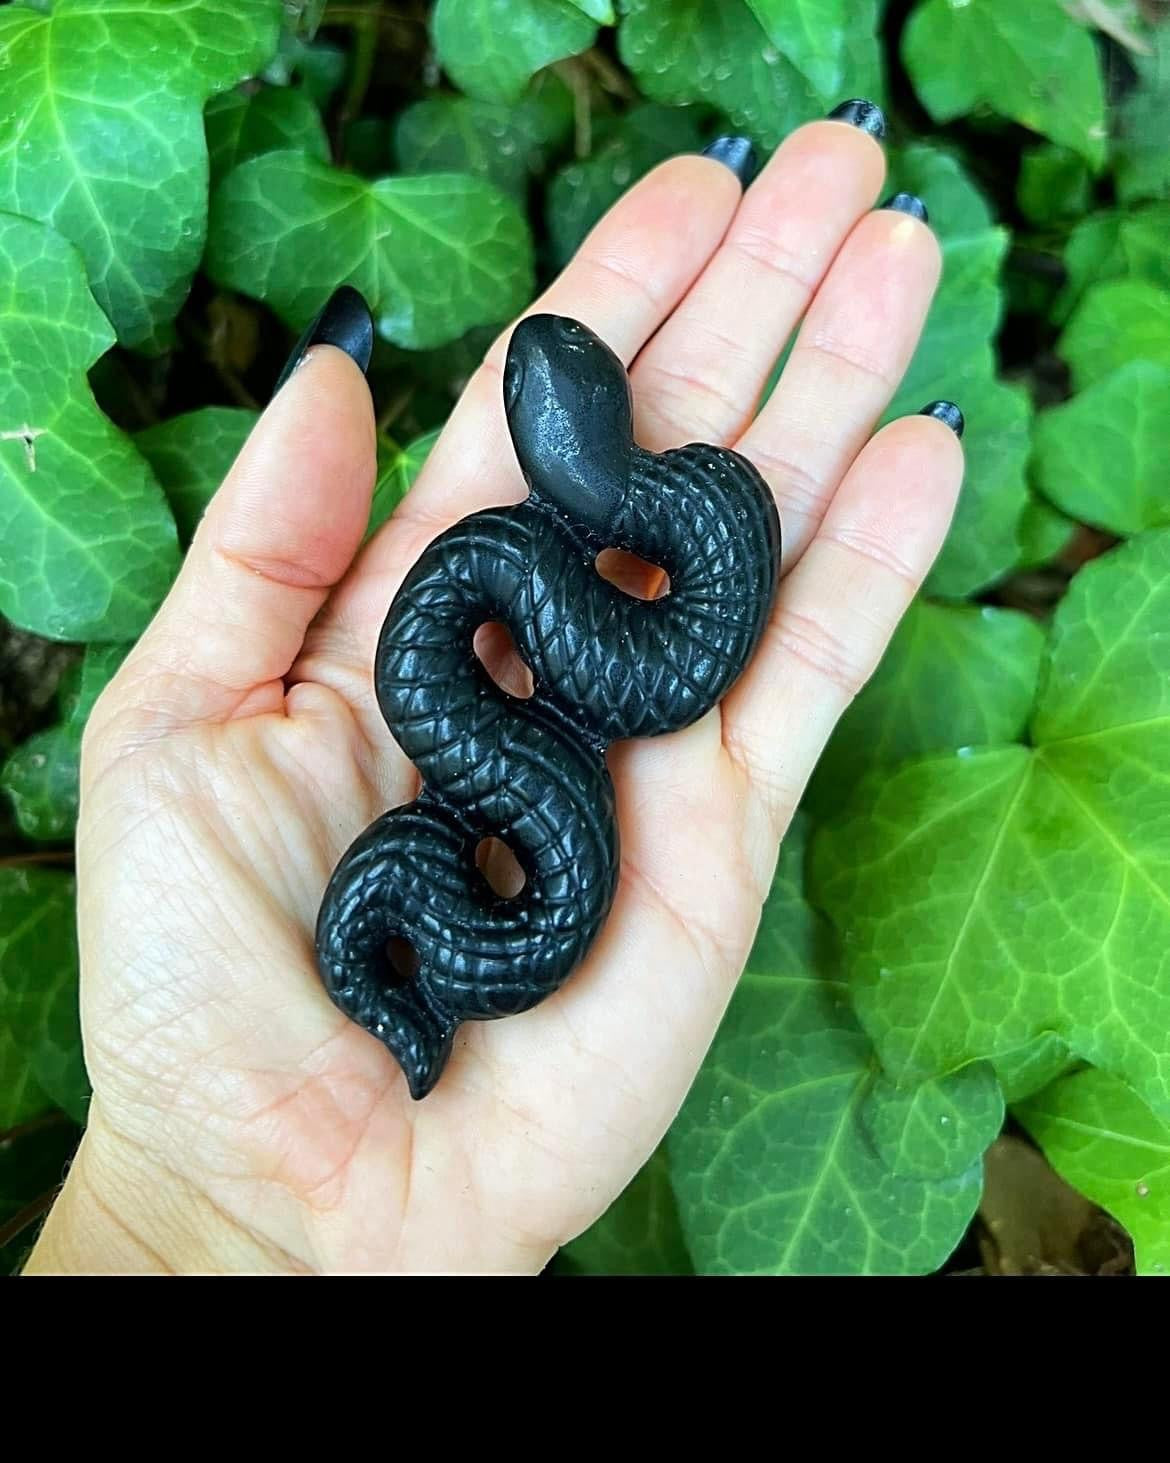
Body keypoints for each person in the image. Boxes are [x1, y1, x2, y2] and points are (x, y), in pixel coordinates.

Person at [24, 101, 964, 1275]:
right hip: (527, 791)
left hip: (542, 712)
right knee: (508, 608)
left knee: (508, 598)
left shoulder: (572, 547)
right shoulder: (567, 552)